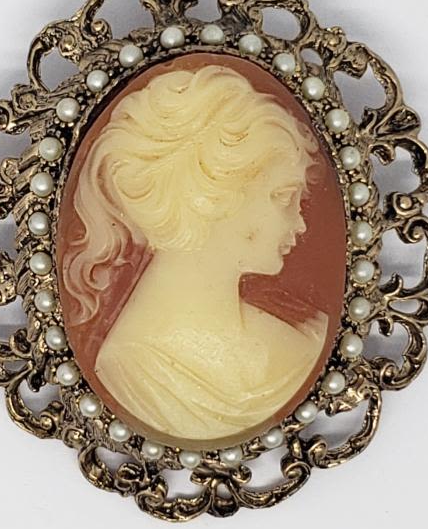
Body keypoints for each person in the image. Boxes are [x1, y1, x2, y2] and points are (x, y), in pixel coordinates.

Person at [62, 64, 327, 443]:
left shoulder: (301, 341)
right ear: (211, 197)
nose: (299, 224)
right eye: (283, 197)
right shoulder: (131, 372)